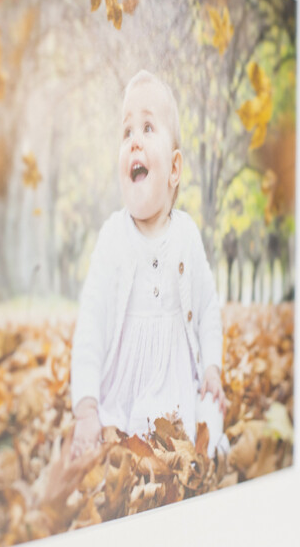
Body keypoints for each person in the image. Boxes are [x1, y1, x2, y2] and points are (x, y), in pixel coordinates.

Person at [69, 70, 228, 459]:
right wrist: (86, 405)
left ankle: (192, 444)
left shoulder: (187, 236)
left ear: (174, 170)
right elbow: (90, 321)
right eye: (126, 133)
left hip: (174, 388)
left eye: (147, 128)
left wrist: (212, 367)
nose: (134, 140)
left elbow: (207, 309)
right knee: (112, 441)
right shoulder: (113, 237)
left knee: (199, 432)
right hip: (123, 388)